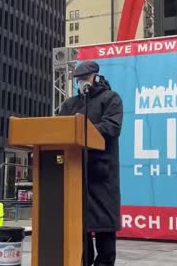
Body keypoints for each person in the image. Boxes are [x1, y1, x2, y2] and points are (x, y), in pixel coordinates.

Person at [58, 61, 123, 266]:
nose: (81, 83)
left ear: (96, 77)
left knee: (104, 234)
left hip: (101, 175)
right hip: (76, 174)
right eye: (78, 80)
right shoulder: (70, 104)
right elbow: (59, 128)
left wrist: (82, 131)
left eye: (84, 79)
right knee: (79, 231)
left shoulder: (111, 99)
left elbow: (111, 127)